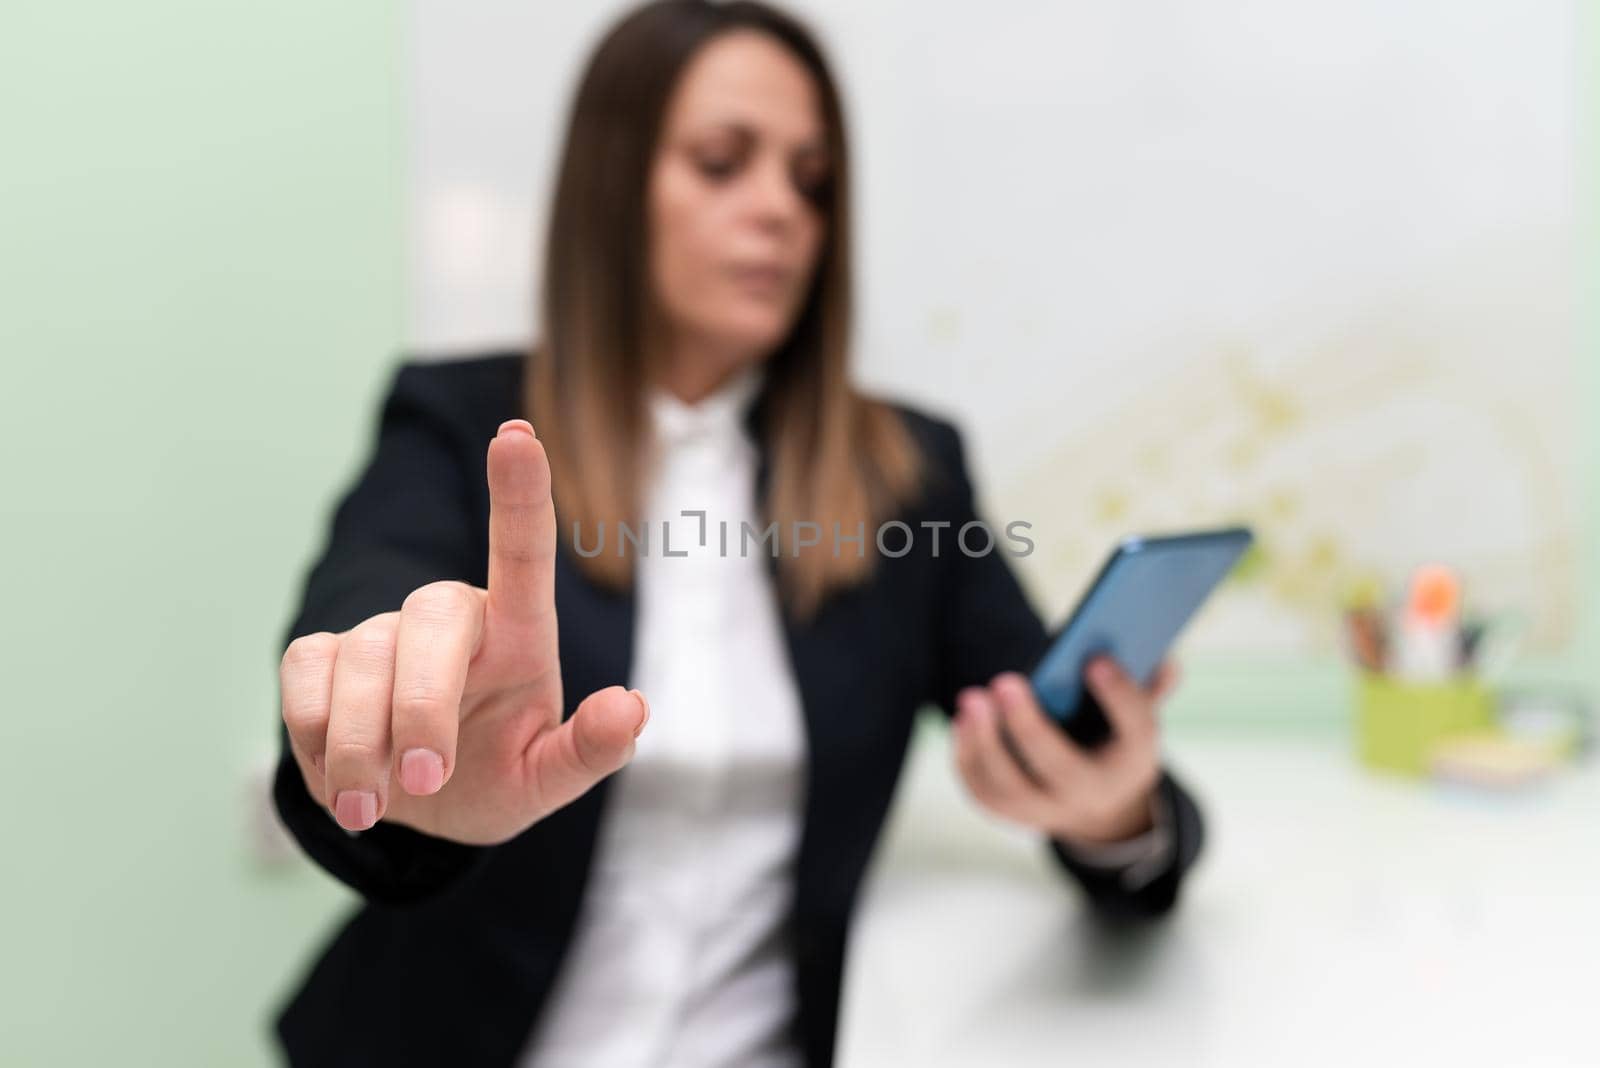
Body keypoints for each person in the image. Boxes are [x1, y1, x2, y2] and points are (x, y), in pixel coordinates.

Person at [271, 2, 1204, 1065]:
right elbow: (367, 608)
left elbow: (1059, 736)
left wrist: (1112, 807)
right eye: (722, 162)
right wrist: (391, 716)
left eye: (811, 180)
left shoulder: (908, 475)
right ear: (613, 189)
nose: (780, 211)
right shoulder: (457, 424)